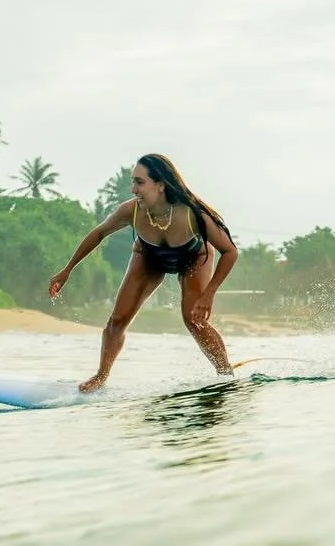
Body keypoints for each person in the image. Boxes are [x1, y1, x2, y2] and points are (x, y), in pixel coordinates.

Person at [49, 153, 238, 392]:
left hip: (193, 258)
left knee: (194, 319)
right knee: (117, 320)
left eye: (139, 182)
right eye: (133, 182)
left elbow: (230, 252)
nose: (133, 189)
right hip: (149, 258)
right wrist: (67, 270)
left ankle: (226, 375)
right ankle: (101, 376)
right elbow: (99, 233)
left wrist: (209, 293)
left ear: (160, 185)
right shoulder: (131, 211)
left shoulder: (193, 214)